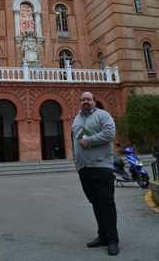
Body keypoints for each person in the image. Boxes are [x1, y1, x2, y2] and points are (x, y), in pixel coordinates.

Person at [71, 91, 119, 256]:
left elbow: (109, 134)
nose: (86, 101)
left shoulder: (102, 115)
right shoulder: (77, 119)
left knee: (106, 203)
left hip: (101, 166)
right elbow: (74, 141)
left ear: (94, 101)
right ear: (80, 102)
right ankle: (103, 236)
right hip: (84, 168)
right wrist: (76, 162)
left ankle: (113, 240)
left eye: (89, 99)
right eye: (83, 99)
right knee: (95, 203)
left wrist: (89, 141)